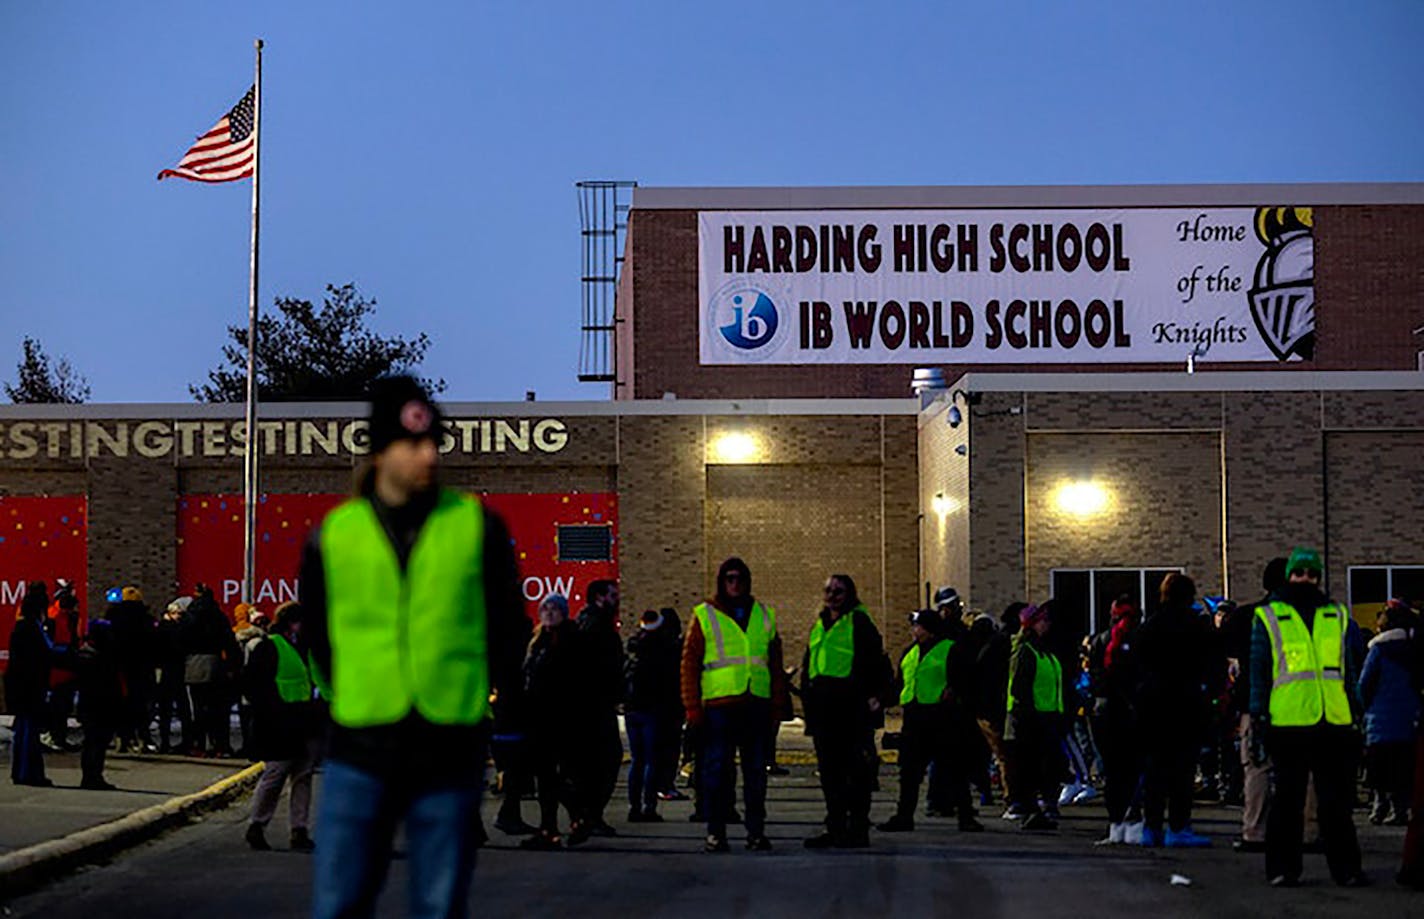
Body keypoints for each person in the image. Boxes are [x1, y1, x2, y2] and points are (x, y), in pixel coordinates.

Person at [302, 375, 524, 919]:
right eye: (414, 444)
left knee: (439, 903)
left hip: (448, 740)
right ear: (379, 451)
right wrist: (350, 691)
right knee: (340, 901)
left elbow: (507, 625)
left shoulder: (476, 526)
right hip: (361, 741)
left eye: (434, 442)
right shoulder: (335, 535)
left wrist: (483, 693)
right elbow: (317, 633)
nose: (429, 454)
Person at [1249, 546, 1368, 888]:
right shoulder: (1270, 616)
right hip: (1288, 720)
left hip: (1333, 719)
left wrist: (1356, 711)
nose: (1305, 579)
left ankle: (1346, 868)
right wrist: (1258, 717)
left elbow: (1349, 669)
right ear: (1290, 576)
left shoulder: (1337, 615)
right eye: (1299, 573)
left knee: (1336, 803)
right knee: (1288, 801)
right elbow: (1259, 671)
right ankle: (1284, 868)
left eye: (1311, 574)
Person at [682, 557, 786, 853]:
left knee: (756, 773)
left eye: (739, 577)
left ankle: (756, 832)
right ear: (721, 581)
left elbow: (774, 663)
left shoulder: (765, 615)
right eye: (729, 578)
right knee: (717, 773)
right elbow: (689, 664)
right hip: (719, 707)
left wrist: (778, 704)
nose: (735, 583)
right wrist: (692, 708)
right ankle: (716, 832)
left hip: (756, 705)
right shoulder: (704, 615)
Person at [878, 607, 984, 833]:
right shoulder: (910, 653)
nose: (913, 630)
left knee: (954, 770)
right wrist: (882, 699)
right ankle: (904, 816)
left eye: (917, 626)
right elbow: (901, 683)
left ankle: (966, 816)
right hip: (914, 718)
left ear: (930, 629)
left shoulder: (950, 650)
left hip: (942, 718)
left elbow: (966, 680)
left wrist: (954, 692)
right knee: (909, 773)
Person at [801, 573, 887, 849]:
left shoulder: (859, 622)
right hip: (824, 710)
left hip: (850, 709)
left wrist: (875, 698)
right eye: (828, 590)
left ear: (850, 594)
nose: (832, 595)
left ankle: (857, 828)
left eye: (838, 590)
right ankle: (836, 827)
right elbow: (811, 663)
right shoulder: (820, 624)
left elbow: (876, 661)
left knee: (856, 772)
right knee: (830, 774)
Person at [1134, 573, 1217, 848]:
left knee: (1155, 769)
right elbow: (1211, 663)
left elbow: (1136, 664)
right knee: (1182, 769)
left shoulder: (1150, 626)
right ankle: (1179, 826)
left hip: (1154, 706)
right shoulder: (1197, 626)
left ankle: (1151, 826)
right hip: (1187, 704)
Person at [244, 602, 321, 852]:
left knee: (302, 777)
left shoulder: (303, 648)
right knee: (275, 775)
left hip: (302, 721)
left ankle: (299, 829)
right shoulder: (270, 646)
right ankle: (257, 824)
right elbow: (255, 685)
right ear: (292, 623)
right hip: (279, 723)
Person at [1228, 557, 1287, 853]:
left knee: (1256, 766)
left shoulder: (1247, 617)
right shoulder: (1312, 616)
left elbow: (1226, 649)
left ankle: (1255, 831)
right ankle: (1308, 830)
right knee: (1305, 770)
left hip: (1255, 702)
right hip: (1301, 703)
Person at [520, 594, 584, 849]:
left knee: (551, 775)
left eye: (555, 608)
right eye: (545, 608)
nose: (549, 612)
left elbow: (568, 680)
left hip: (558, 718)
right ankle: (552, 828)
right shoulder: (538, 641)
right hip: (538, 717)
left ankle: (575, 815)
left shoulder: (568, 640)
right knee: (544, 776)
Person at [1088, 596, 1145, 845]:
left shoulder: (1100, 641)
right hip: (1132, 712)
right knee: (1133, 769)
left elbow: (1093, 676)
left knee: (1112, 771)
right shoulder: (1141, 641)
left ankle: (1115, 824)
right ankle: (1133, 821)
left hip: (1104, 711)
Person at [1358, 599, 1419, 826]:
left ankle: (1379, 805)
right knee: (1403, 767)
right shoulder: (1414, 649)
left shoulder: (1379, 649)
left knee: (1378, 768)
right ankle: (1400, 808)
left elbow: (1365, 684)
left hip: (1380, 718)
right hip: (1409, 718)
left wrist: (1363, 707)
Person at [572, 579, 624, 839]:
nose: (617, 600)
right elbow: (601, 667)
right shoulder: (597, 627)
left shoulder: (588, 623)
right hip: (595, 705)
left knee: (595, 763)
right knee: (606, 760)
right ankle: (589, 814)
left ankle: (588, 814)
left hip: (593, 704)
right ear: (600, 598)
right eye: (613, 595)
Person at [1004, 602, 1063, 830]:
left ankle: (1037, 809)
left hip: (1046, 716)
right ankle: (1030, 810)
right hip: (1030, 719)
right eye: (1042, 621)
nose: (1047, 624)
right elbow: (1020, 687)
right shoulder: (1025, 651)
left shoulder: (1043, 650)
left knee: (1045, 766)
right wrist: (1029, 714)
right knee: (1029, 767)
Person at [624, 607, 681, 822]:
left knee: (637, 760)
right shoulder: (663, 650)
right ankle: (649, 806)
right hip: (654, 710)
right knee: (652, 760)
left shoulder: (633, 647)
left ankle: (634, 806)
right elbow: (668, 682)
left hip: (632, 709)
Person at [183, 583, 241, 757]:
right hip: (215, 665)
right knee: (218, 709)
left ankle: (198, 745)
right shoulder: (219, 616)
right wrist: (233, 665)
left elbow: (180, 639)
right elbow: (229, 642)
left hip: (193, 665)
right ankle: (220, 745)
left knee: (198, 708)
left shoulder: (190, 616)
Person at [7, 582, 55, 786]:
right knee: (29, 731)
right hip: (30, 685)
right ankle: (29, 773)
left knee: (23, 731)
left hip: (21, 684)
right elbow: (43, 655)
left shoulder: (21, 627)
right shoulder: (32, 629)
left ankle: (20, 771)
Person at [976, 603, 1022, 813]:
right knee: (1007, 756)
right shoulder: (1004, 644)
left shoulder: (1000, 643)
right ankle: (1012, 800)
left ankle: (1009, 796)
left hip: (995, 707)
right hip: (997, 708)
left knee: (1003, 756)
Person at [75, 617, 123, 790]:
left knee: (91, 741)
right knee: (98, 742)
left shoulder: (84, 655)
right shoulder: (102, 658)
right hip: (101, 704)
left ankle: (90, 775)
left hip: (89, 703)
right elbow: (110, 683)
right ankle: (93, 776)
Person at [109, 586, 157, 753]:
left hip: (120, 667)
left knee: (121, 704)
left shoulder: (113, 617)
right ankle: (143, 737)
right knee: (141, 704)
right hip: (141, 667)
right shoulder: (146, 618)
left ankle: (122, 737)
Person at [43, 580, 82, 751]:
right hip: (58, 670)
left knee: (63, 706)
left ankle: (59, 736)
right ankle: (54, 736)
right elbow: (51, 645)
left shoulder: (64, 616)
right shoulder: (53, 617)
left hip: (67, 668)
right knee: (58, 706)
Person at [154, 597, 194, 753]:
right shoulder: (182, 629)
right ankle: (187, 740)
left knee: (166, 710)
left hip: (165, 671)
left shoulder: (161, 629)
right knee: (183, 708)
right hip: (179, 671)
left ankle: (165, 741)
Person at [233, 602, 269, 758]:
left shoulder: (236, 635)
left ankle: (248, 746)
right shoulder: (260, 639)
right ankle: (256, 746)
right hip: (257, 681)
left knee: (246, 716)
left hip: (242, 679)